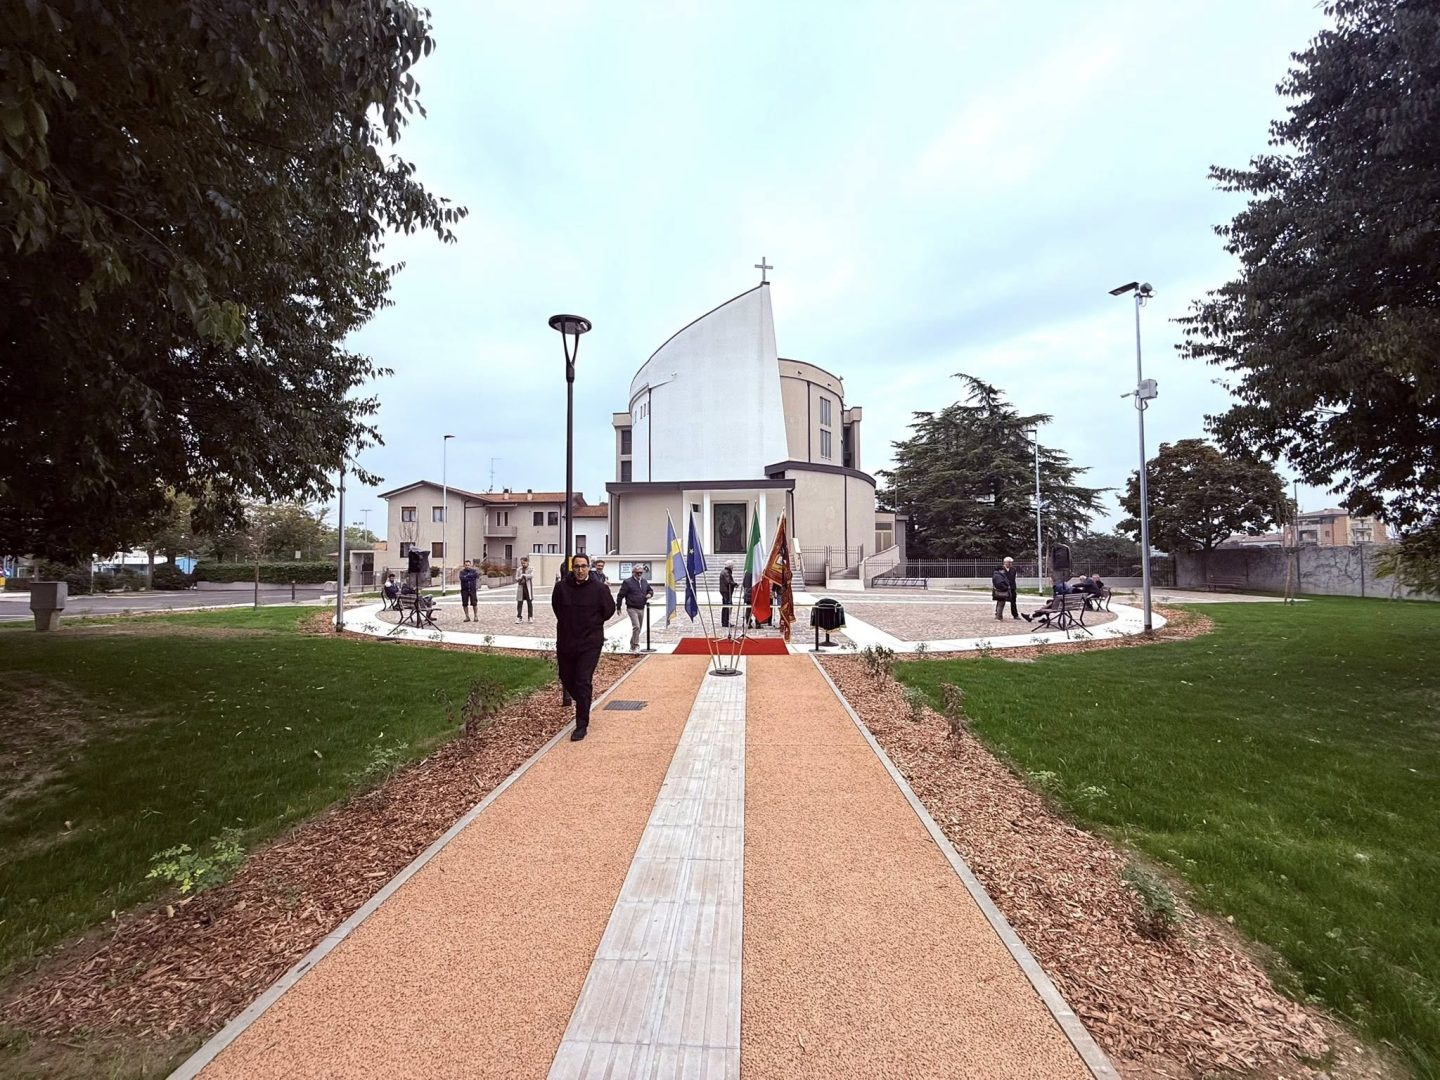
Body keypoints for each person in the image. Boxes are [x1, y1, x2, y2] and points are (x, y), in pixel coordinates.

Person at [551, 553, 616, 741]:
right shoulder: (561, 588)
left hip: (590, 643)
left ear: (589, 568)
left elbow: (608, 610)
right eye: (577, 566)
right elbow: (557, 608)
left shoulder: (599, 589)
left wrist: (593, 623)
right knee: (566, 677)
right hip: (566, 641)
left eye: (584, 566)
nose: (580, 570)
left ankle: (581, 724)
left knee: (582, 680)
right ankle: (584, 702)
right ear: (572, 568)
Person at [616, 563, 654, 650]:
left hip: (641, 607)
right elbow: (620, 595)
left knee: (639, 628)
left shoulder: (644, 581)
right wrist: (618, 607)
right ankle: (636, 645)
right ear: (633, 572)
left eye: (641, 572)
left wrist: (649, 594)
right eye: (637, 573)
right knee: (636, 626)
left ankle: (632, 644)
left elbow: (650, 590)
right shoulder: (627, 582)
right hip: (632, 608)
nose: (639, 574)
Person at [515, 556, 534, 623]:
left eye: (524, 563)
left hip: (528, 588)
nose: (523, 564)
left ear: (527, 562)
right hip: (521, 588)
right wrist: (519, 577)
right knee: (519, 603)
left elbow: (531, 575)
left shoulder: (530, 569)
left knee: (529, 603)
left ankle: (530, 617)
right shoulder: (519, 569)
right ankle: (519, 617)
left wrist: (524, 575)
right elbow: (516, 578)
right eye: (522, 563)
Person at [718, 560, 737, 629]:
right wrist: (735, 584)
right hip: (726, 591)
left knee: (725, 606)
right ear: (730, 566)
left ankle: (725, 621)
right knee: (727, 606)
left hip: (725, 591)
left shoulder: (725, 571)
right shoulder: (726, 572)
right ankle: (725, 622)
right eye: (732, 566)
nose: (733, 567)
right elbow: (728, 581)